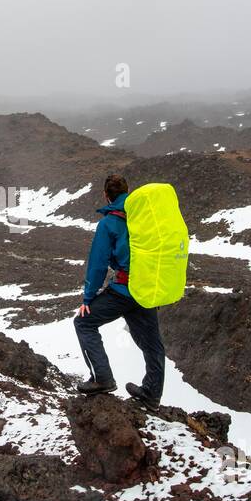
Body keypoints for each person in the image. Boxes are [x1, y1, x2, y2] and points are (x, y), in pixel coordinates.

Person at [73, 173, 166, 409]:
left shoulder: (109, 223)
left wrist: (88, 297)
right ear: (128, 192)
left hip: (123, 291)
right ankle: (152, 395)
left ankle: (102, 378)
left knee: (84, 323)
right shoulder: (144, 217)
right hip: (146, 289)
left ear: (106, 195)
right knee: (153, 344)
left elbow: (98, 263)